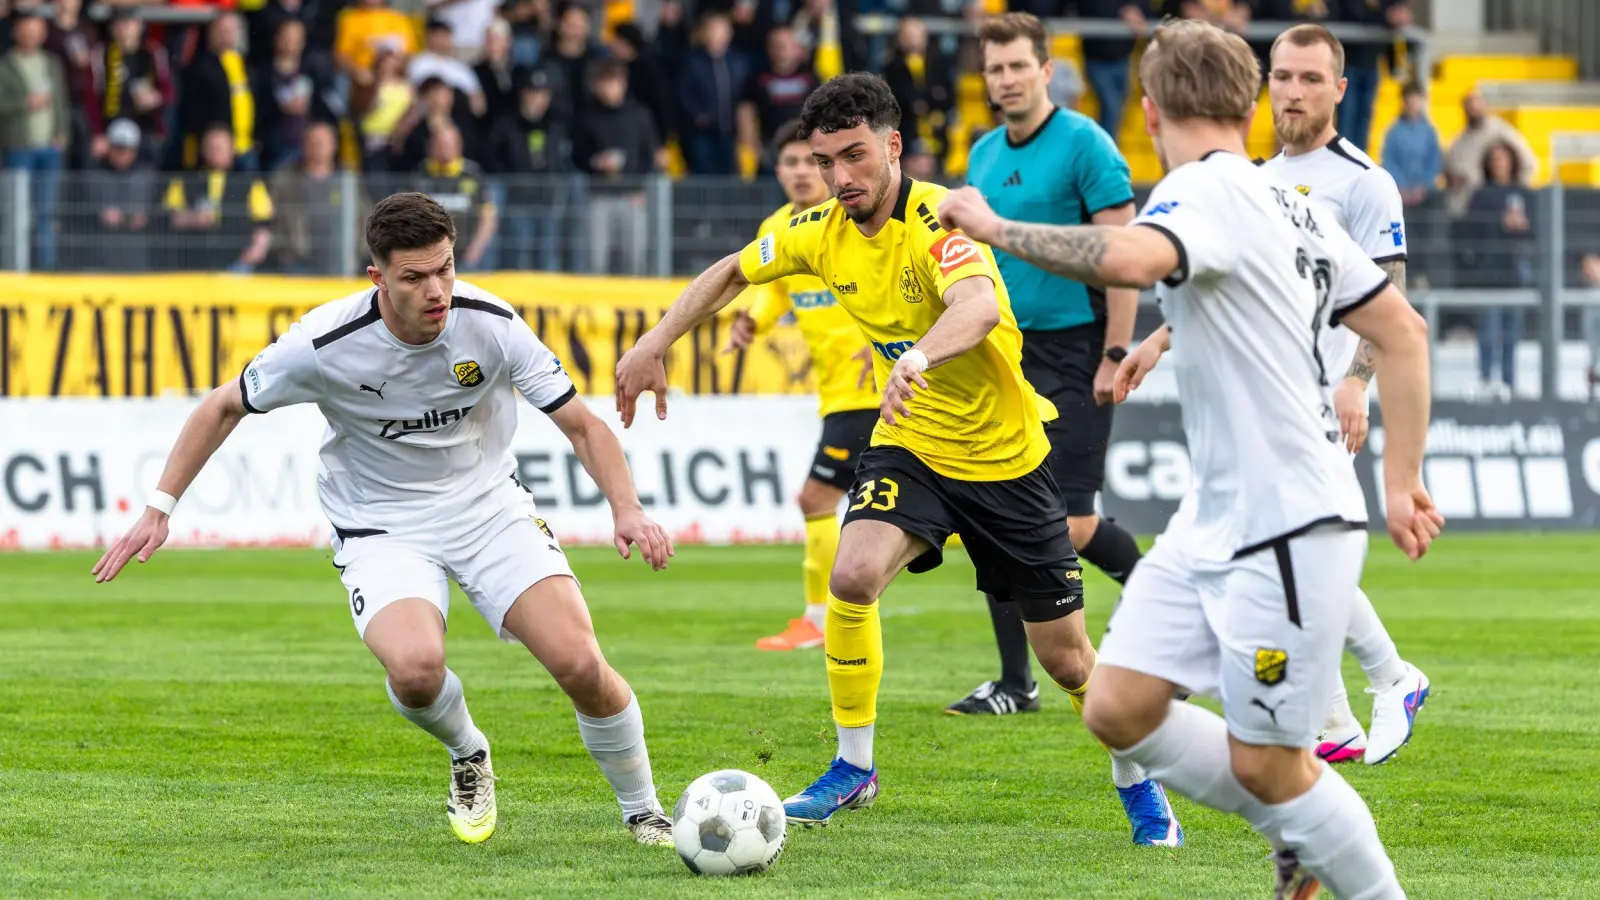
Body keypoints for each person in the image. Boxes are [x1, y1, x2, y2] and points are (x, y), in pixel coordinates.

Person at [937, 17, 1439, 899]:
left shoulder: (1201, 190)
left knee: (1272, 766)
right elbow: (1402, 329)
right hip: (1213, 519)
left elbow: (1134, 257)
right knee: (1117, 707)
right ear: (1250, 104)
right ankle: (1299, 820)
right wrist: (1403, 482)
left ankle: (1326, 842)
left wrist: (994, 224)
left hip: (1288, 521)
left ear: (1148, 108)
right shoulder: (1282, 198)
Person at [92, 192, 679, 849]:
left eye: (445, 269)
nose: (437, 291)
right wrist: (160, 508)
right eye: (414, 277)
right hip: (381, 523)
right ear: (377, 277)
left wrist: (627, 508)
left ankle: (644, 811)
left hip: (488, 507)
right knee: (417, 670)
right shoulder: (323, 343)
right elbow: (222, 406)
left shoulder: (492, 324)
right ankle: (467, 751)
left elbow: (582, 425)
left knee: (580, 663)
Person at [616, 72, 1106, 829]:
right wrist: (656, 340)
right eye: (824, 161)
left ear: (892, 146)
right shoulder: (817, 231)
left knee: (1067, 660)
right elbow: (734, 270)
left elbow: (977, 305)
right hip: (910, 442)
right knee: (852, 576)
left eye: (853, 156)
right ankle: (853, 767)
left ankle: (1140, 782)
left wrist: (918, 357)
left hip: (1005, 456)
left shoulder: (937, 217)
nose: (839, 177)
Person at [958, 11, 1180, 847]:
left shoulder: (1086, 144)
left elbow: (1122, 252)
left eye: (1019, 65)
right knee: (998, 508)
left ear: (1047, 70)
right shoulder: (983, 154)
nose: (1006, 79)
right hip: (1007, 352)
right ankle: (1016, 682)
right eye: (995, 68)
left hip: (1081, 347)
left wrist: (1116, 349)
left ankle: (1166, 610)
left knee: (1071, 522)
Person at [1256, 23, 1431, 767]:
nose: (1293, 91)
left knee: (1300, 550)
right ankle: (1336, 719)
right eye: (1282, 76)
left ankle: (1391, 678)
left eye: (1310, 78)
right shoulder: (1258, 177)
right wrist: (1158, 343)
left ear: (1339, 88)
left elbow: (1391, 293)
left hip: (1327, 401)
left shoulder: (1364, 181)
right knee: (1284, 555)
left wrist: (1357, 379)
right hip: (1268, 397)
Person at [723, 119, 880, 653]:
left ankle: (822, 618)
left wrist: (886, 342)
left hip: (870, 389)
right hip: (836, 393)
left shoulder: (853, 218)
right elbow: (776, 290)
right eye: (789, 162)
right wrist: (752, 320)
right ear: (777, 171)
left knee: (816, 498)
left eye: (810, 162)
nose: (800, 172)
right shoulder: (778, 226)